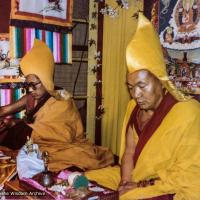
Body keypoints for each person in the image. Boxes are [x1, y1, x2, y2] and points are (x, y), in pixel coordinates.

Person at [85, 13, 200, 200]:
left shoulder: (188, 112)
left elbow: (190, 175)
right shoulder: (133, 107)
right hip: (136, 176)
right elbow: (129, 153)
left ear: (161, 81)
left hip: (165, 185)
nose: (135, 95)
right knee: (83, 178)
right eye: (130, 88)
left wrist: (138, 187)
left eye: (141, 86)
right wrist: (125, 183)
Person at [0, 39, 114, 172]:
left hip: (60, 146)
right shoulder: (30, 97)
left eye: (34, 85)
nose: (30, 90)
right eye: (27, 85)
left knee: (82, 157)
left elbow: (60, 133)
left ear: (46, 79)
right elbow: (5, 110)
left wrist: (14, 124)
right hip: (37, 144)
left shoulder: (62, 98)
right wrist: (8, 123)